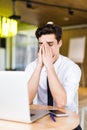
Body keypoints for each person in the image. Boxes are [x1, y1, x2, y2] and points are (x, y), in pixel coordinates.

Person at [25, 22, 82, 130]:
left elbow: (61, 103)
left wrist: (49, 66)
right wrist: (39, 66)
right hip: (42, 119)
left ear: (59, 43)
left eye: (50, 44)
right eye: (41, 44)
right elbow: (26, 100)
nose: (45, 49)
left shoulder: (71, 68)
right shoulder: (31, 67)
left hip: (68, 121)